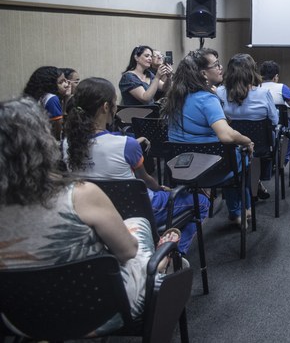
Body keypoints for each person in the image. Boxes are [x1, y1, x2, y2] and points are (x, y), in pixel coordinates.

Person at [0, 96, 177, 336]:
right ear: (42, 142)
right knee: (138, 224)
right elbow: (126, 252)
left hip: (19, 320)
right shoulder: (80, 195)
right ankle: (160, 264)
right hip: (100, 312)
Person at [64, 77, 209, 255]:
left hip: (90, 212)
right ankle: (174, 255)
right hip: (136, 210)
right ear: (106, 107)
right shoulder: (126, 145)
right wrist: (161, 188)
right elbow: (147, 180)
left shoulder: (67, 144)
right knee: (201, 201)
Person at [162, 49, 255, 225]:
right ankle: (242, 210)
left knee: (233, 156)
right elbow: (226, 135)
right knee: (242, 157)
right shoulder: (207, 99)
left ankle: (236, 211)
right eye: (216, 65)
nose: (221, 68)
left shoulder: (175, 97)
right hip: (209, 169)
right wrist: (247, 141)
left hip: (179, 168)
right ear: (203, 73)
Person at [217, 54, 279, 201]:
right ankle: (255, 182)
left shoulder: (219, 92)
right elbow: (274, 120)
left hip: (230, 147)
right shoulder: (263, 93)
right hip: (260, 146)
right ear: (252, 71)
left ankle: (249, 184)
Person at [23, 65, 67, 140]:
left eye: (65, 81)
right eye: (61, 82)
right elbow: (58, 125)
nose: (66, 85)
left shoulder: (35, 97)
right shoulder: (52, 98)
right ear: (50, 84)